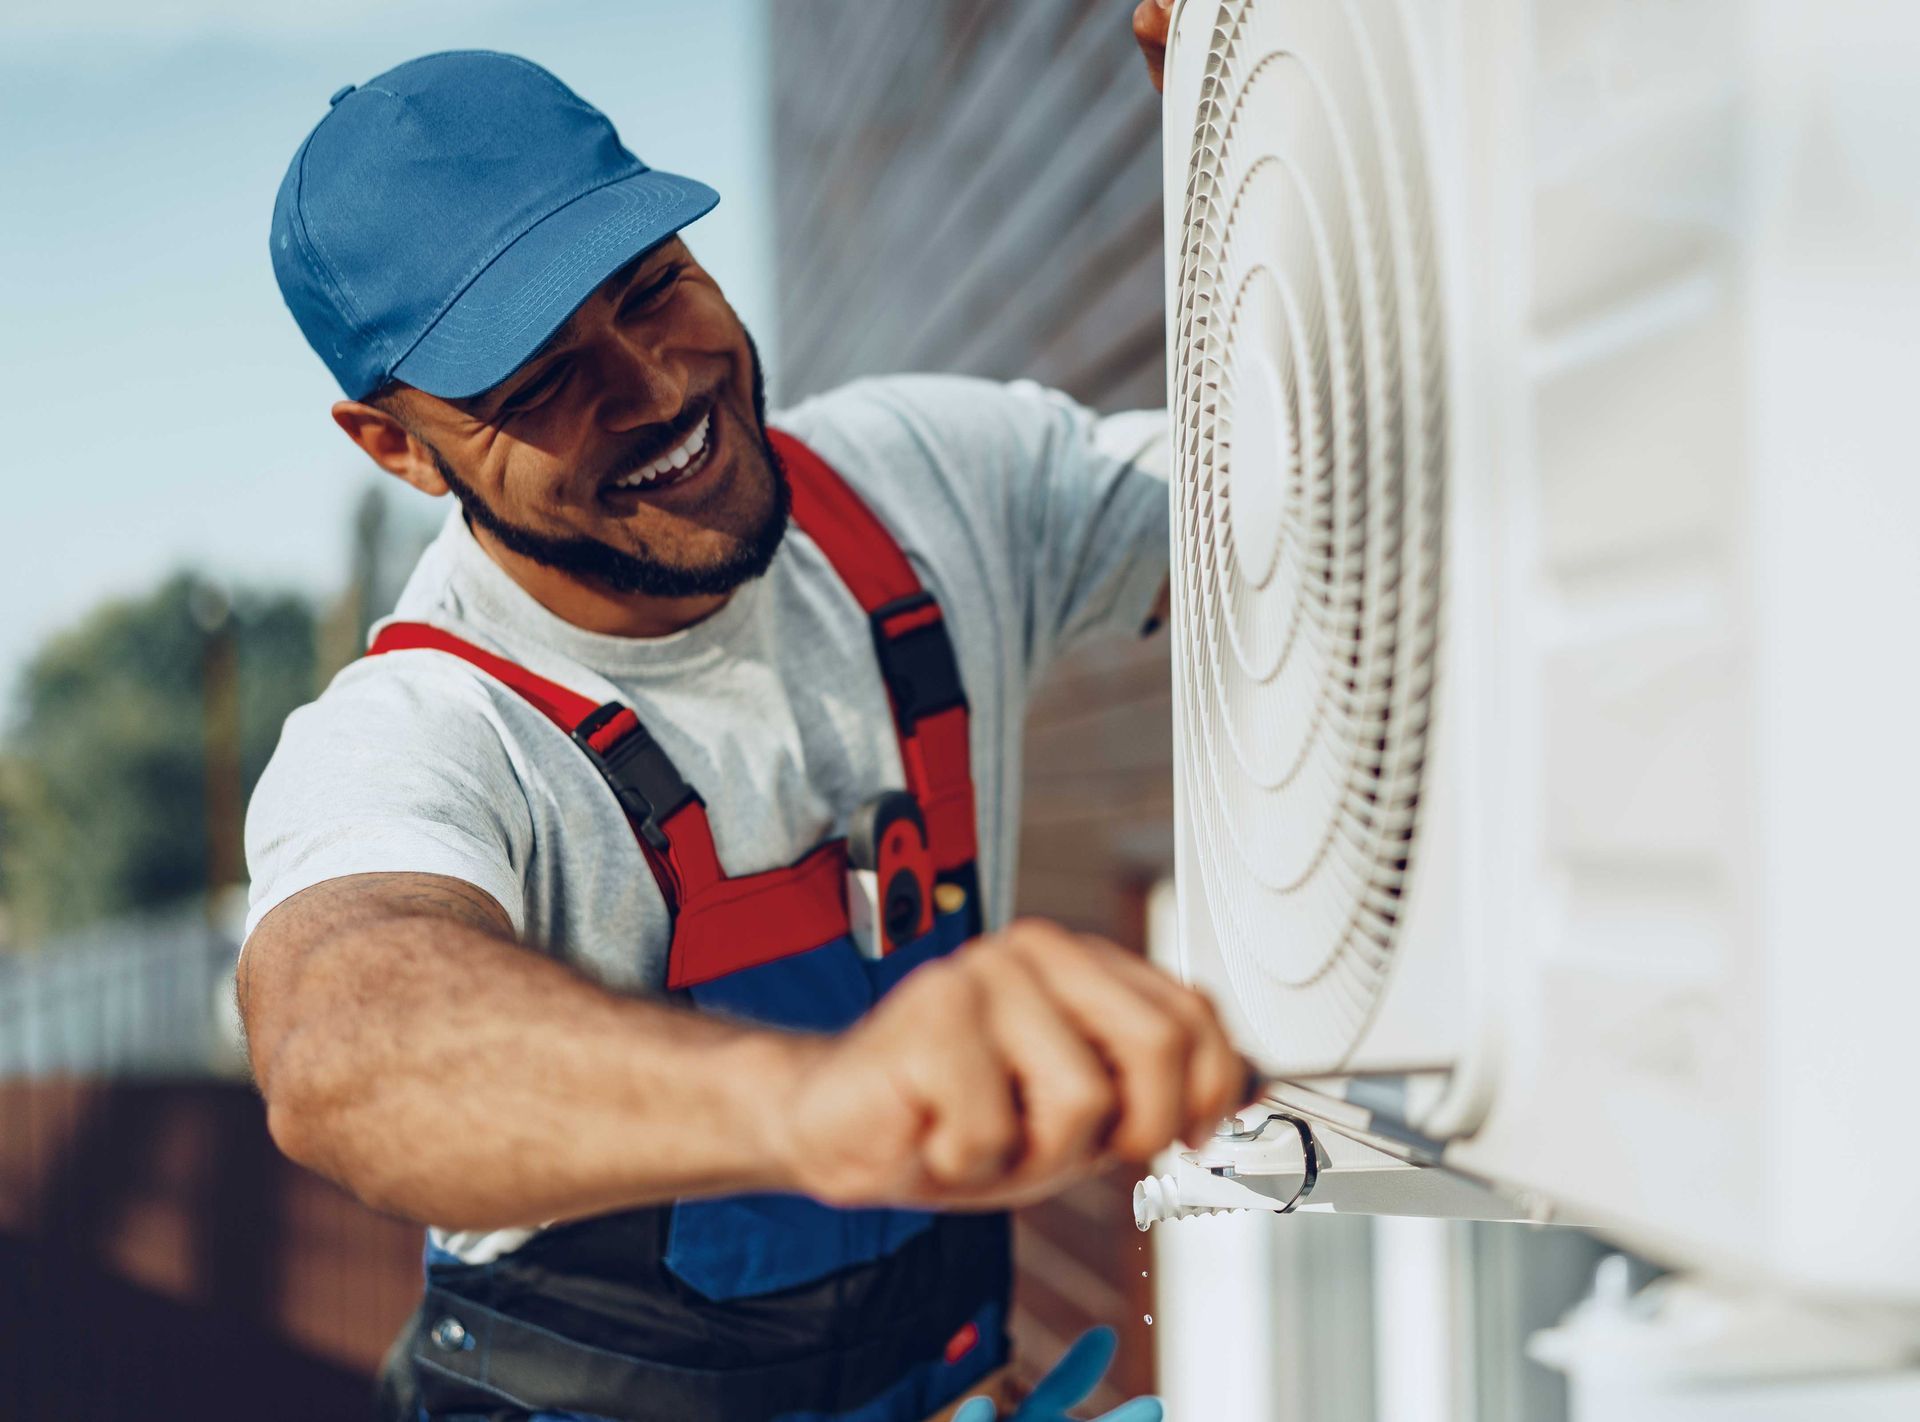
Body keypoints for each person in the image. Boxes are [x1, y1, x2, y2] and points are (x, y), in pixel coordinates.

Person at [243, 15, 1215, 1422]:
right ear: (395, 443)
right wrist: (824, 1104)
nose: (654, 387)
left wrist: (1251, 133)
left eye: (651, 289)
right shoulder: (427, 726)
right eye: (541, 383)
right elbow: (344, 1041)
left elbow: (1314, 504)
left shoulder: (926, 487)